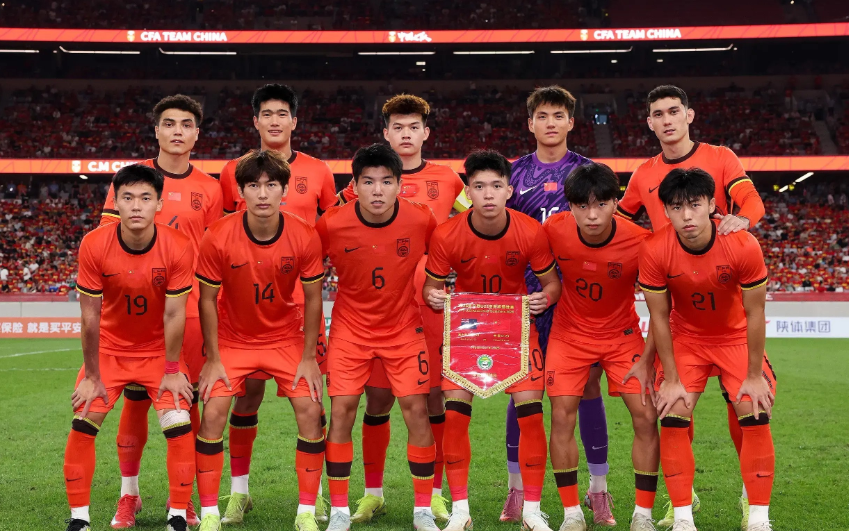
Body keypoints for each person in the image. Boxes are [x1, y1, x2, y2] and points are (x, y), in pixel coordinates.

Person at [617, 84, 766, 528]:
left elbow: (750, 199)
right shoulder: (643, 174)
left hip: (724, 295)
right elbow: (620, 221)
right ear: (649, 122)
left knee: (743, 402)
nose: (666, 120)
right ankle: (682, 499)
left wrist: (744, 219)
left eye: (673, 111)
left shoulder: (720, 157)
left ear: (689, 115)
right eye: (658, 114)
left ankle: (751, 492)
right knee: (676, 404)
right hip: (674, 296)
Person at [336, 94, 469, 524]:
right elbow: (338, 225)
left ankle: (433, 495)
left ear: (426, 132)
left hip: (430, 307)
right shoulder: (363, 182)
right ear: (386, 133)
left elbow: (470, 230)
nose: (406, 134)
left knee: (431, 400)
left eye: (414, 127)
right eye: (398, 127)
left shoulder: (448, 180)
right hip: (376, 311)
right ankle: (372, 493)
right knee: (376, 400)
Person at [99, 95, 222, 528]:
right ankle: (128, 496)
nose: (177, 131)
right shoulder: (131, 181)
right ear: (156, 131)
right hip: (137, 316)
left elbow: (215, 254)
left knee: (188, 404)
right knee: (134, 405)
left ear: (196, 134)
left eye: (186, 124)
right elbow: (107, 245)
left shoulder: (211, 188)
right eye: (168, 123)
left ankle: (182, 499)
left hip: (190, 312)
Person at [217, 84, 338, 524]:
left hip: (301, 308)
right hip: (245, 311)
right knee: (244, 399)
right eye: (266, 113)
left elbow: (333, 230)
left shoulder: (320, 172)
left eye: (281, 113)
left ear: (294, 121)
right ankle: (238, 493)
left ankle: (315, 495)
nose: (274, 121)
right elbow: (222, 236)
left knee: (312, 402)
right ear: (255, 121)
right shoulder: (233, 171)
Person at [423, 150, 561, 531]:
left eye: (496, 186)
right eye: (479, 186)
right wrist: (434, 296)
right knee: (454, 417)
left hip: (515, 330)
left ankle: (532, 510)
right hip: (467, 330)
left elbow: (552, 284)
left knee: (532, 417)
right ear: (467, 191)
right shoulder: (447, 234)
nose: (488, 194)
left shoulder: (530, 230)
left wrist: (545, 298)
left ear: (509, 191)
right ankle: (460, 511)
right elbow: (430, 287)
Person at [193, 150, 326, 531]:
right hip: (234, 340)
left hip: (285, 338)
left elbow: (313, 298)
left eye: (271, 185)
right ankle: (213, 512)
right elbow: (206, 300)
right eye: (253, 185)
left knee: (311, 409)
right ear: (240, 192)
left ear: (285, 190)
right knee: (213, 412)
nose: (263, 194)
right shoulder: (218, 235)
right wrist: (213, 359)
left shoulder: (304, 234)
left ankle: (305, 510)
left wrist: (309, 358)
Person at [638, 168, 776, 531]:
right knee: (672, 412)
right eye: (676, 207)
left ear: (712, 205)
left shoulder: (743, 244)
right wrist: (669, 379)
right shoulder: (654, 249)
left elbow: (755, 313)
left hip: (736, 338)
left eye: (695, 205)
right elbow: (659, 317)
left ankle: (758, 518)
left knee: (754, 408)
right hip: (687, 340)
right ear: (665, 211)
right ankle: (684, 517)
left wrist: (754, 375)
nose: (686, 215)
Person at [315, 144, 440, 531]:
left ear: (400, 185)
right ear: (354, 186)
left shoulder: (421, 219)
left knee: (417, 411)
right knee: (342, 412)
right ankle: (339, 512)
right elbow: (307, 267)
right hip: (350, 331)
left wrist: (433, 286)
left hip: (403, 329)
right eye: (368, 182)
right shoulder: (331, 223)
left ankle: (422, 510)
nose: (378, 190)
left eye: (387, 181)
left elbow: (445, 256)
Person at [64, 164, 195, 531]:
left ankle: (178, 514)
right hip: (110, 351)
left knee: (178, 422)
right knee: (83, 421)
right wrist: (91, 376)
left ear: (159, 204)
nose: (136, 205)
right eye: (128, 198)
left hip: (158, 352)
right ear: (116, 203)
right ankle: (79, 519)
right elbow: (89, 316)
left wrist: (172, 371)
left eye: (145, 198)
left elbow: (174, 314)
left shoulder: (178, 245)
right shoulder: (94, 244)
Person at [502, 85, 610, 524]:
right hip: (525, 300)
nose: (550, 123)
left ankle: (598, 490)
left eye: (558, 115)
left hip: (579, 302)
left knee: (587, 389)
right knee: (521, 392)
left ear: (571, 122)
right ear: (530, 123)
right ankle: (516, 490)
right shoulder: (511, 174)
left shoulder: (590, 172)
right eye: (542, 116)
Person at [543, 163, 659, 531]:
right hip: (569, 335)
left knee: (646, 416)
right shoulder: (553, 230)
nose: (592, 215)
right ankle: (572, 514)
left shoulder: (641, 241)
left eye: (601, 204)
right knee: (561, 416)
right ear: (570, 206)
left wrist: (650, 358)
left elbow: (662, 308)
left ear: (616, 203)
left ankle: (643, 515)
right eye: (582, 206)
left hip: (622, 337)